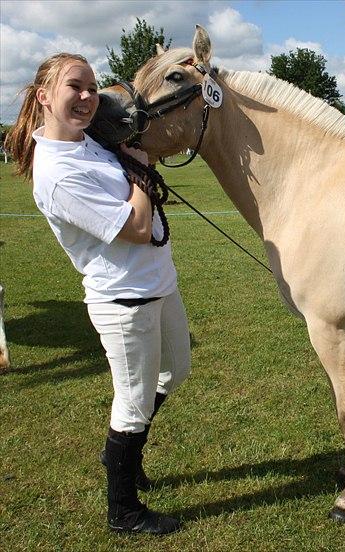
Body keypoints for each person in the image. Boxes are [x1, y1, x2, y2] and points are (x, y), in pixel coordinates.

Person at [3, 53, 190, 535]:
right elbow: (138, 226)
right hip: (125, 299)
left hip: (159, 285)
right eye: (75, 87)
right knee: (132, 401)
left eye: (91, 87)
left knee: (175, 370)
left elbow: (132, 133)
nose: (87, 97)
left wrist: (135, 160)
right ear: (44, 96)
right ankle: (123, 509)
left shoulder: (91, 143)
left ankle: (120, 456)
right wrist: (142, 173)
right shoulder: (57, 173)